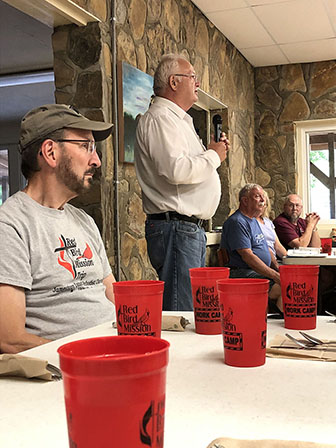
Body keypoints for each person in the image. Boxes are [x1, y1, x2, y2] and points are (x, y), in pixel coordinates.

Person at [0, 104, 115, 354]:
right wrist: (86, 357)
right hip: (68, 373)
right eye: (86, 146)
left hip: (114, 351)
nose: (96, 159)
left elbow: (114, 296)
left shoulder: (84, 220)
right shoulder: (10, 226)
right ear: (51, 152)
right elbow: (10, 338)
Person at [134, 53, 230, 311]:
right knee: (181, 312)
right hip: (176, 228)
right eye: (193, 77)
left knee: (189, 309)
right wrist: (213, 155)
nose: (197, 83)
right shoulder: (161, 119)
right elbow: (176, 170)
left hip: (186, 230)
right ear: (174, 82)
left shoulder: (177, 121)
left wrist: (211, 151)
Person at [220, 184, 281, 311]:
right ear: (245, 200)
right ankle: (273, 322)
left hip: (256, 271)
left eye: (263, 197)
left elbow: (265, 248)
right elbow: (248, 256)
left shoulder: (253, 220)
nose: (263, 200)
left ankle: (276, 318)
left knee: (291, 282)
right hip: (242, 272)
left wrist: (279, 269)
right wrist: (275, 276)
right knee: (285, 287)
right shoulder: (237, 222)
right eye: (258, 196)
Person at [256, 190, 287, 261]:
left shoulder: (268, 222)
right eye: (260, 203)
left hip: (274, 260)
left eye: (264, 203)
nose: (262, 206)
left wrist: (291, 260)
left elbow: (278, 246)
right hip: (262, 263)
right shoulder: (249, 222)